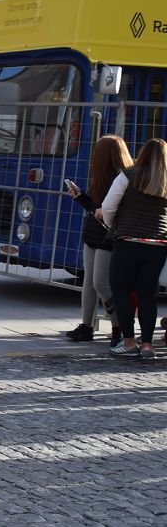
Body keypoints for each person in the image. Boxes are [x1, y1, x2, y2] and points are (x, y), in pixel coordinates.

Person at [102, 138, 167, 361]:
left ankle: (129, 342)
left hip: (128, 241)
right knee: (147, 296)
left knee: (121, 293)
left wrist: (114, 226)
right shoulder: (165, 181)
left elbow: (109, 206)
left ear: (143, 153)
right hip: (157, 246)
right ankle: (148, 346)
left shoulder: (127, 175)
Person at [64, 135, 132, 345]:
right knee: (89, 283)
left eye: (97, 153)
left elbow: (111, 211)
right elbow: (97, 209)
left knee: (100, 283)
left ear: (104, 156)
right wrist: (81, 197)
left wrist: (90, 203)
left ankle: (119, 327)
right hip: (94, 233)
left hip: (108, 236)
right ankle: (87, 326)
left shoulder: (123, 178)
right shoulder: (104, 177)